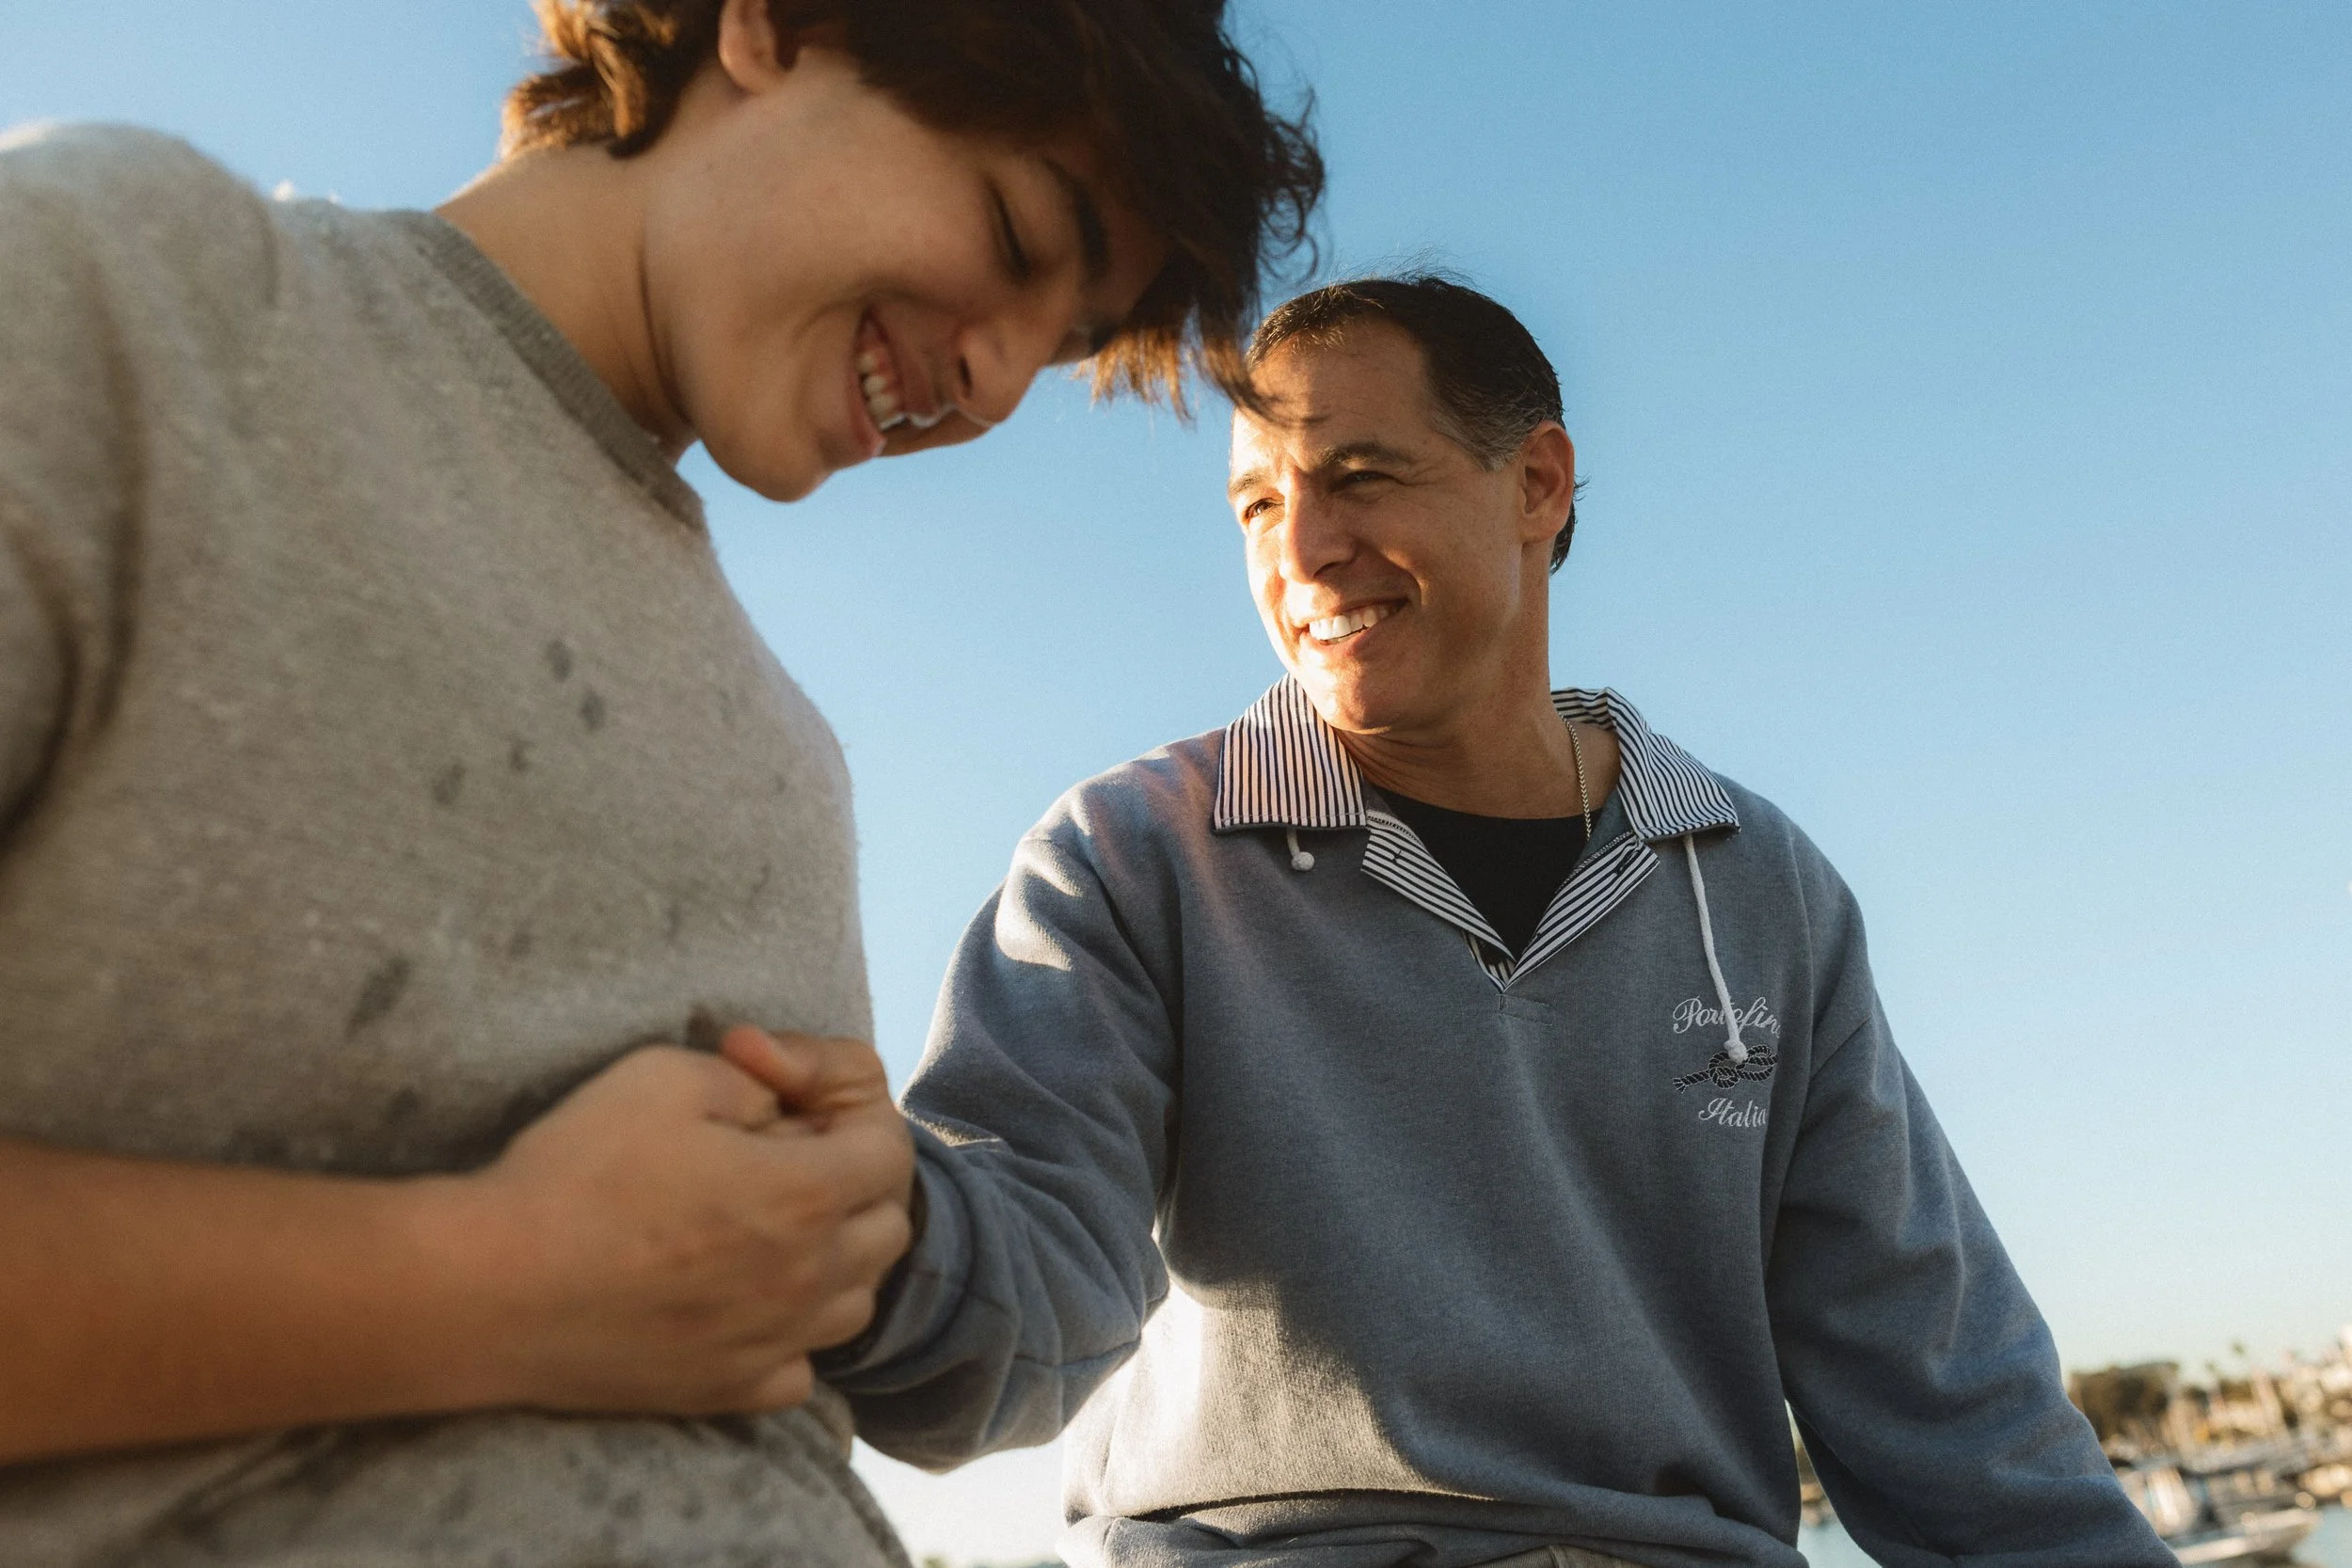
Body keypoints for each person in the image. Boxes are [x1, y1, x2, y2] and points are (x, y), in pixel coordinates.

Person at [0, 0, 1319, 1562]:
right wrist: (482, 1282)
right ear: (771, 28)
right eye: (1019, 229)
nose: (1000, 383)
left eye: (1067, 341)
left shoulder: (786, 752)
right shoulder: (134, 291)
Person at [819, 277, 2174, 1568]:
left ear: (1539, 482)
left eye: (1358, 477)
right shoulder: (1129, 855)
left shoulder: (1760, 887)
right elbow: (1011, 1276)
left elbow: (1952, 1405)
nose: (1300, 549)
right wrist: (851, 1238)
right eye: (1255, 504)